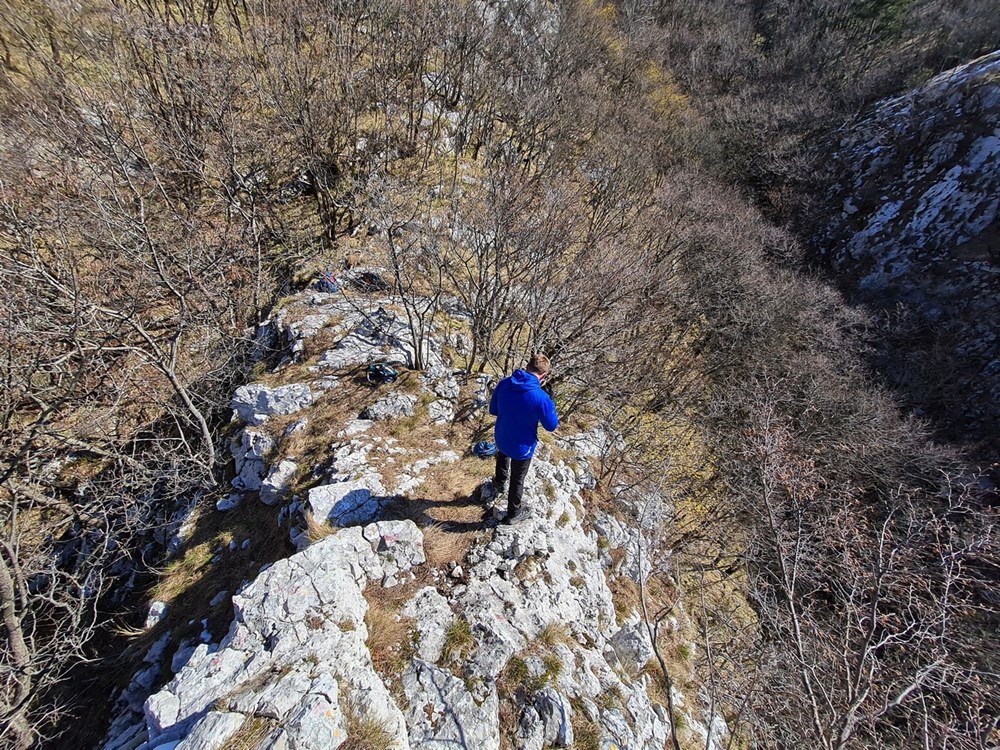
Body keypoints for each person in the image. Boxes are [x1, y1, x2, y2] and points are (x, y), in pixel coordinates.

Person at [488, 353, 559, 523]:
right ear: (544, 375)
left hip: (501, 436)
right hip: (522, 447)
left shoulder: (505, 383)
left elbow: (493, 410)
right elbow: (551, 426)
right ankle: (514, 513)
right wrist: (550, 402)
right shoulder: (541, 397)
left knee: (503, 453)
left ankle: (499, 482)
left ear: (527, 367)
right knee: (518, 478)